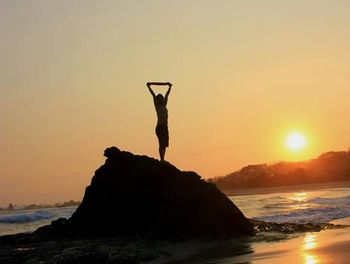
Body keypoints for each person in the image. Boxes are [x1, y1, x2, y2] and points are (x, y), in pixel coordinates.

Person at [147, 82, 172, 161]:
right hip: (160, 127)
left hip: (165, 127)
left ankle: (163, 159)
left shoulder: (164, 105)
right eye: (160, 98)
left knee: (164, 144)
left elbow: (167, 95)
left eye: (162, 98)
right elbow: (153, 95)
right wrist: (149, 86)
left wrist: (169, 87)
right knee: (161, 144)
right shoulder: (157, 106)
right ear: (158, 100)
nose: (162, 99)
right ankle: (161, 159)